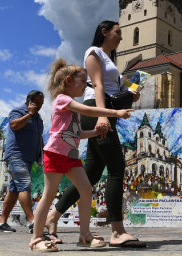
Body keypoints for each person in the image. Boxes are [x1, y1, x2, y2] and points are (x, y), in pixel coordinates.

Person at [44, 20, 147, 248]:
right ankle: (117, 232)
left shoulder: (111, 61)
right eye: (117, 32)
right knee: (117, 168)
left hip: (105, 110)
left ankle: (53, 216)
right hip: (97, 110)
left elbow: (114, 89)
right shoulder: (94, 53)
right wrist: (103, 117)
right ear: (104, 32)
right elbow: (98, 86)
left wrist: (132, 93)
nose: (121, 37)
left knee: (90, 173)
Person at [29, 59, 132, 252]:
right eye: (83, 81)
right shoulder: (63, 100)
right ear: (69, 81)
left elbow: (75, 134)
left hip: (71, 157)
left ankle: (84, 235)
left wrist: (95, 132)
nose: (87, 85)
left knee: (86, 190)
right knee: (48, 195)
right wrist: (115, 113)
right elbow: (89, 109)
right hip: (55, 154)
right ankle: (36, 239)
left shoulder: (71, 106)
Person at [0, 90, 44, 233]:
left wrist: (43, 151)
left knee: (14, 190)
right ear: (29, 101)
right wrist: (29, 113)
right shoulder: (18, 111)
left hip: (29, 158)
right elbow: (14, 125)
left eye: (41, 104)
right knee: (24, 185)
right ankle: (32, 221)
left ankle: (1, 223)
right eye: (37, 103)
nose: (39, 106)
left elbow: (38, 136)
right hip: (16, 156)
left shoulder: (39, 118)